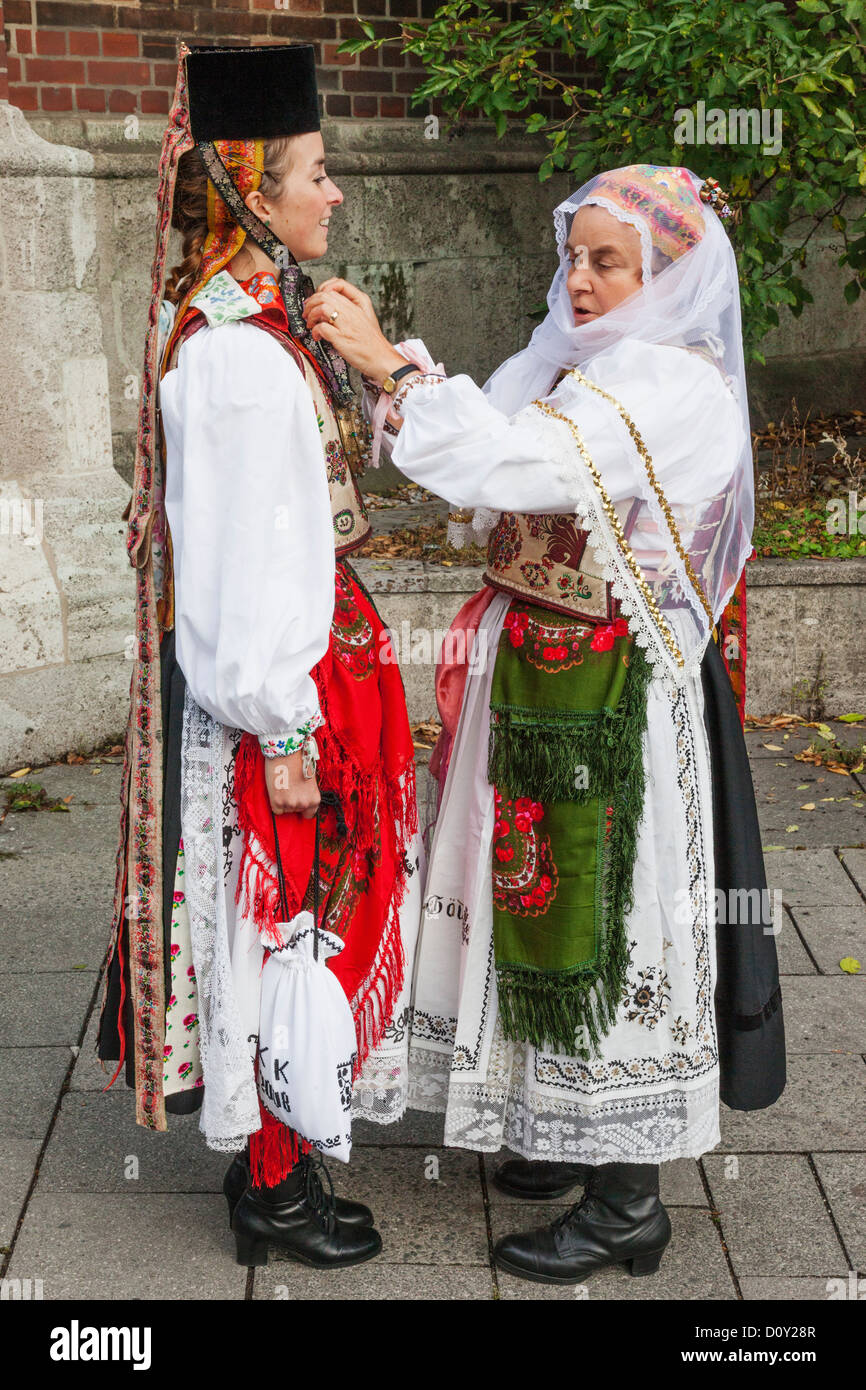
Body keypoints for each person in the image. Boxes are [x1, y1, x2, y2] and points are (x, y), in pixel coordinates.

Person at [303, 164, 785, 1285]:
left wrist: (392, 369)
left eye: (608, 263)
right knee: (527, 896)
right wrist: (405, 382)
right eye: (572, 257)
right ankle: (563, 1124)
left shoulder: (669, 384)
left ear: (667, 277)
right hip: (540, 681)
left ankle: (627, 1200)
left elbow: (517, 463)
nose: (578, 280)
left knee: (609, 919)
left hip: (612, 702)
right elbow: (485, 477)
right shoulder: (591, 367)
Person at [98, 42, 422, 1270]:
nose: (333, 192)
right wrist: (280, 721)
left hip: (314, 667)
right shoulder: (232, 353)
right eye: (315, 172)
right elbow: (237, 560)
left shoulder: (269, 316)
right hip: (282, 692)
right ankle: (274, 1189)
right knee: (286, 921)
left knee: (306, 915)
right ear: (250, 191)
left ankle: (285, 1161)